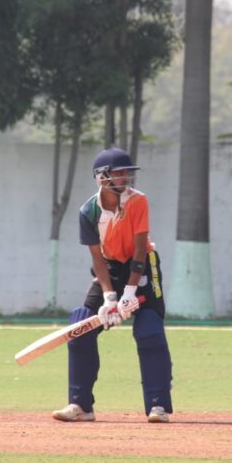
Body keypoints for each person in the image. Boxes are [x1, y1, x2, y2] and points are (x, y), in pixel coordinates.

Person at [51, 147, 173, 424]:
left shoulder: (138, 202)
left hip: (143, 266)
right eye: (120, 173)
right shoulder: (88, 211)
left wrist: (130, 293)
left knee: (149, 328)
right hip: (109, 267)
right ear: (102, 178)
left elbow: (141, 250)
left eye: (127, 173)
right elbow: (97, 257)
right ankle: (80, 405)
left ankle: (158, 406)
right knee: (80, 325)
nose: (126, 178)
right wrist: (109, 298)